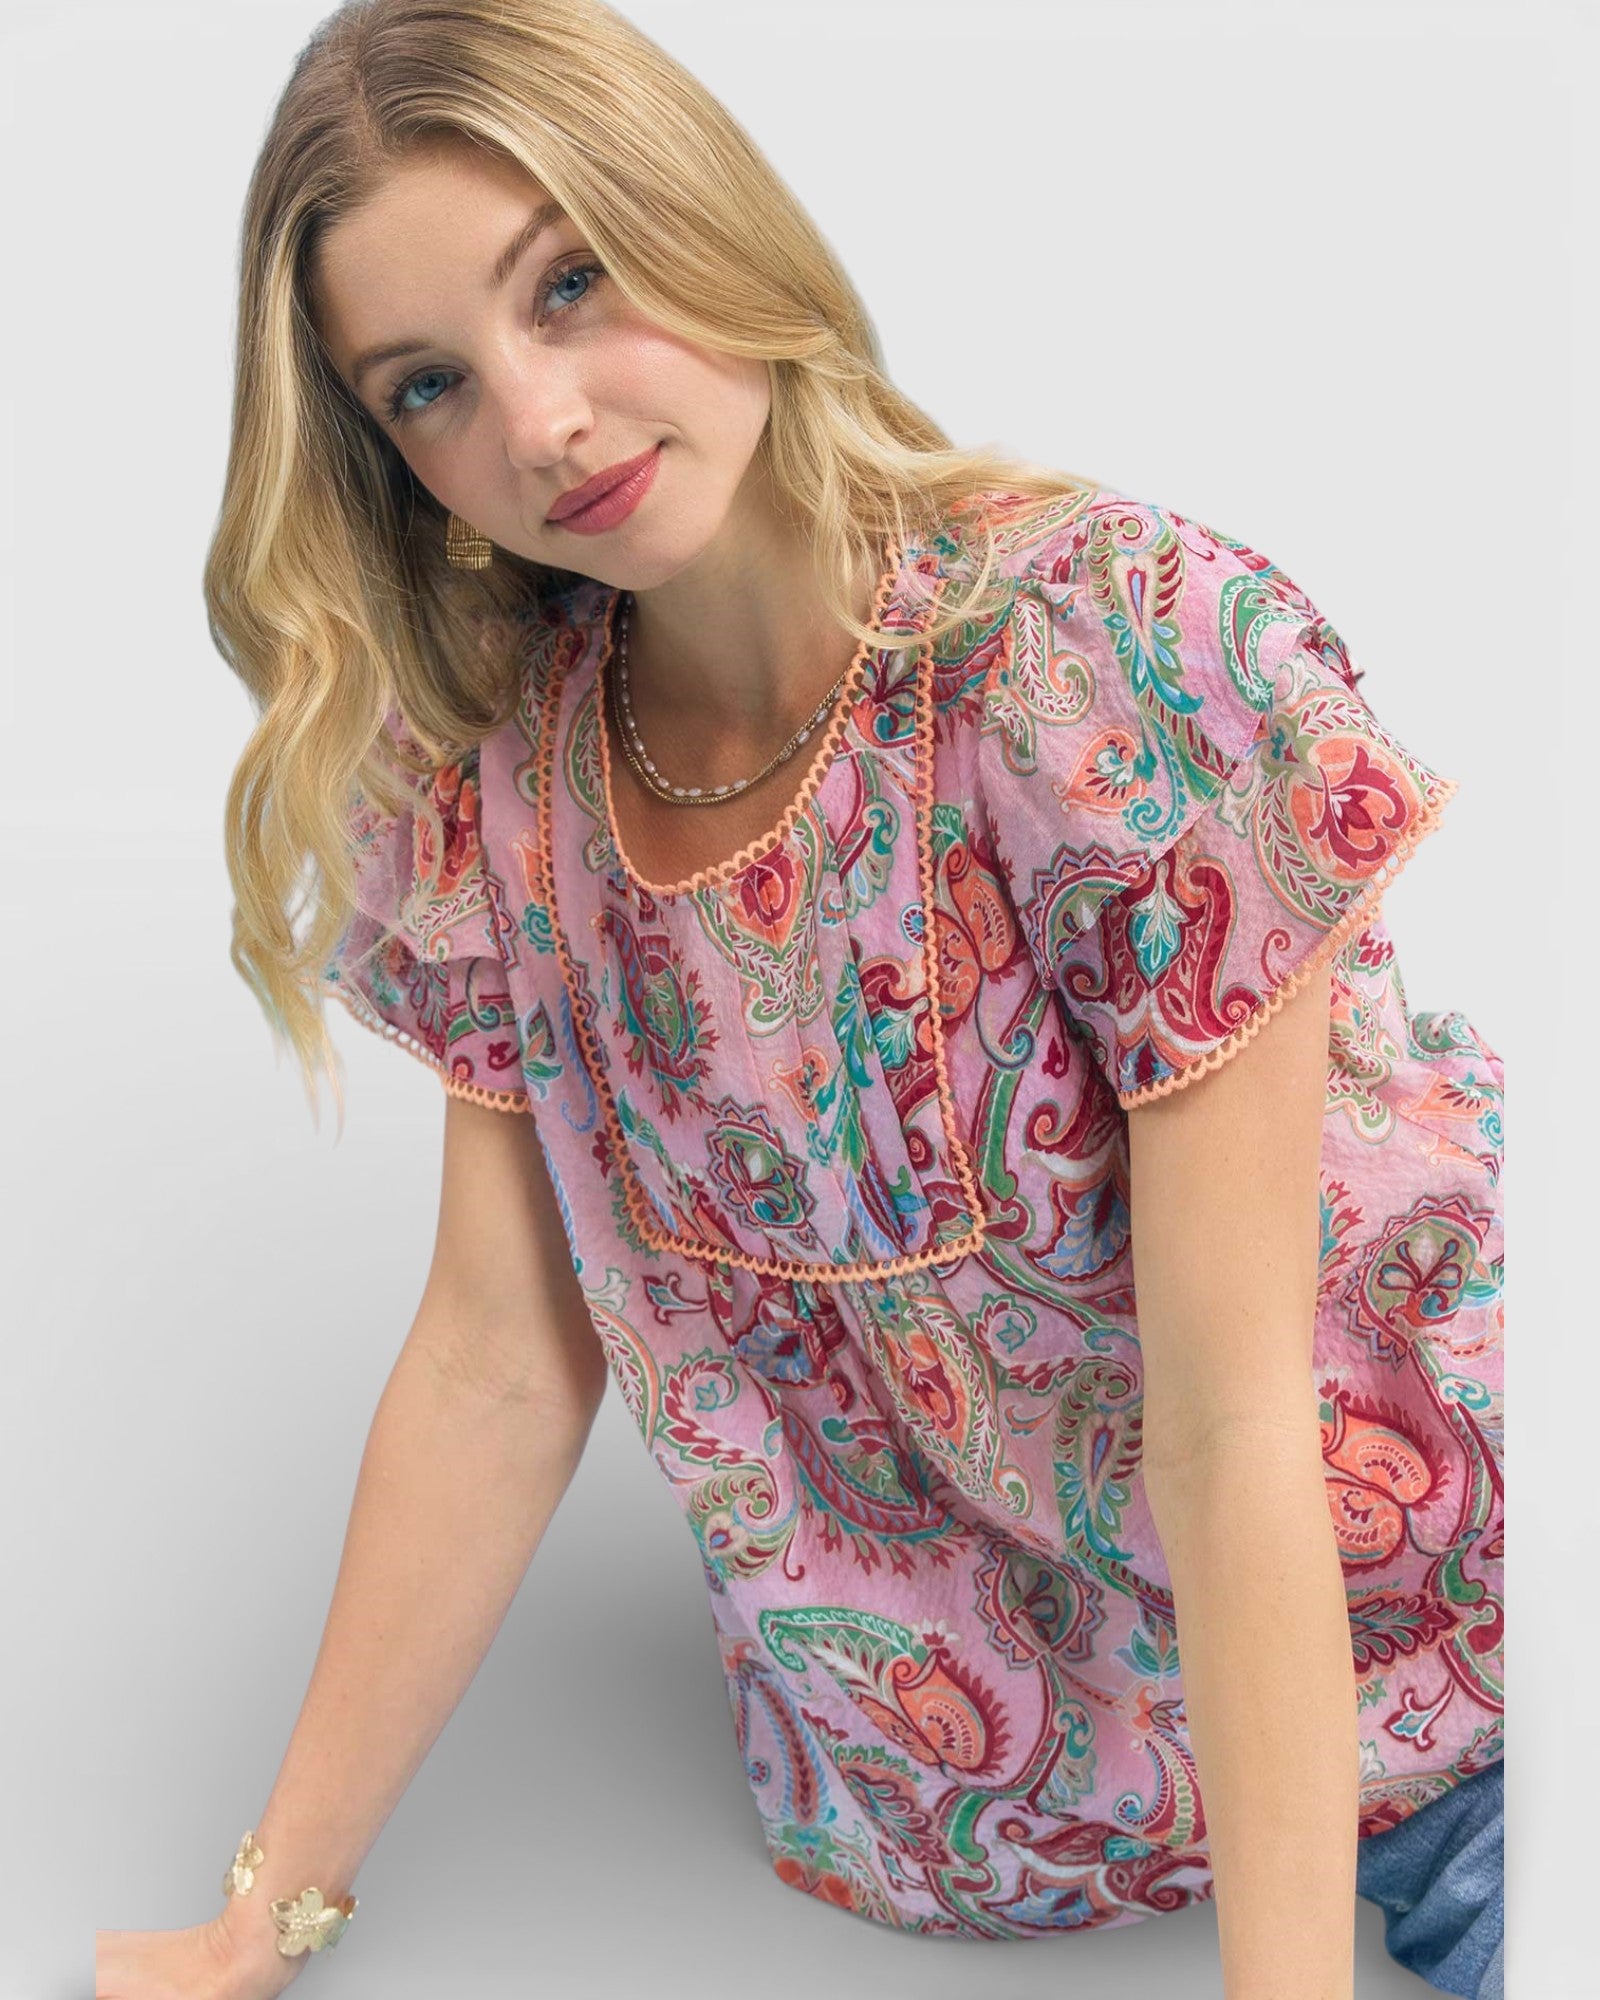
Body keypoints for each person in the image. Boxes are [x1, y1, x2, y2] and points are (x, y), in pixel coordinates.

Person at [94, 1, 1505, 1995]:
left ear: (703, 214)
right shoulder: (503, 788)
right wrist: (269, 1908)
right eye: (429, 385)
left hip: (1454, 1600)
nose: (540, 422)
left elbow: (1227, 1413)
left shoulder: (1104, 655)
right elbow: (496, 1367)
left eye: (568, 285)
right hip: (989, 1802)